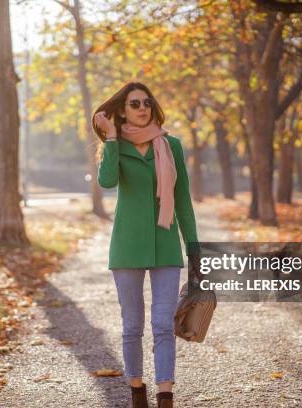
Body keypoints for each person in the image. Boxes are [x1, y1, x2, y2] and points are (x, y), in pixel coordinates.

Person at [92, 82, 199, 408]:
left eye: (147, 102)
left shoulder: (172, 146)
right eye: (134, 103)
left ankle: (165, 394)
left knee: (163, 323)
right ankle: (137, 390)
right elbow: (107, 182)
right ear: (123, 110)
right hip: (126, 247)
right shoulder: (117, 146)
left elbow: (182, 201)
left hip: (164, 244)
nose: (142, 107)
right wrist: (111, 138)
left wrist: (194, 247)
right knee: (132, 326)